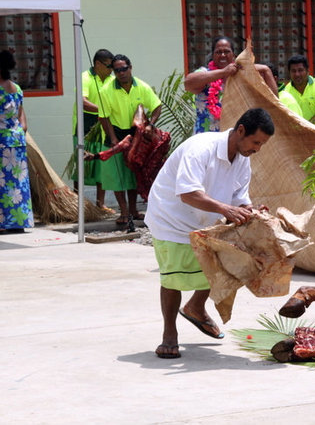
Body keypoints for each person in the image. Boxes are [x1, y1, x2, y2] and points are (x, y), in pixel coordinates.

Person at [145, 108, 274, 359]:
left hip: (206, 220)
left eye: (262, 145)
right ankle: (169, 334)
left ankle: (195, 307)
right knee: (173, 278)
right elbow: (187, 193)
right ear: (240, 131)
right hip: (171, 219)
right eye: (256, 142)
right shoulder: (201, 148)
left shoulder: (243, 159)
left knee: (228, 264)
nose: (257, 149)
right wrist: (226, 209)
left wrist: (252, 212)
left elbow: (240, 199)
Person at [98, 54, 162, 225]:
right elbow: (103, 117)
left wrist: (151, 125)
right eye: (117, 70)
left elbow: (157, 106)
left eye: (124, 69)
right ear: (114, 72)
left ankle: (133, 210)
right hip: (116, 133)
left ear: (130, 68)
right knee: (118, 176)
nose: (121, 73)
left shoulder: (142, 86)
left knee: (132, 174)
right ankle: (124, 212)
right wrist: (112, 138)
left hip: (136, 135)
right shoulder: (106, 90)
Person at [184, 36, 277, 133]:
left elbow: (274, 99)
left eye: (227, 51)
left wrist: (266, 70)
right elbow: (188, 84)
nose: (223, 55)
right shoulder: (205, 73)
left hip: (234, 140)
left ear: (233, 55)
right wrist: (224, 72)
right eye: (218, 52)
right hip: (205, 139)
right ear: (213, 55)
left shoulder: (242, 76)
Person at [72, 49, 114, 211]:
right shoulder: (85, 77)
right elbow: (82, 101)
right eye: (108, 66)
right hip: (85, 124)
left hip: (103, 125)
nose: (111, 70)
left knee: (101, 164)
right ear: (97, 64)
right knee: (81, 164)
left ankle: (100, 203)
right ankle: (77, 203)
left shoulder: (112, 80)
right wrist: (104, 109)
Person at [0, 50, 34, 233]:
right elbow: (23, 121)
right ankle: (17, 222)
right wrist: (17, 132)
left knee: (2, 183)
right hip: (16, 141)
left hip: (2, 141)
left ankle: (2, 223)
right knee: (17, 184)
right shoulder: (17, 88)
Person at [282, 55, 315, 127]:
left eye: (300, 70)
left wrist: (306, 128)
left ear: (308, 70)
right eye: (293, 71)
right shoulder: (286, 90)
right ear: (289, 72)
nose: (297, 74)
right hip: (297, 132)